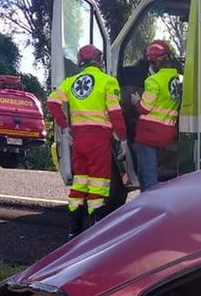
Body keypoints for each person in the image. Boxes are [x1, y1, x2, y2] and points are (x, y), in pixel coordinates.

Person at [46, 44, 127, 238]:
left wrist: (65, 127)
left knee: (80, 183)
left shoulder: (71, 81)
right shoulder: (108, 81)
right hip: (99, 139)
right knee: (98, 184)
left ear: (81, 62)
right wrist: (122, 138)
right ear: (99, 61)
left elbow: (52, 101)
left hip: (79, 140)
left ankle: (74, 230)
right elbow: (115, 112)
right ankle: (94, 231)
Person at [130, 40, 182, 190]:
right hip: (168, 132)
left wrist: (135, 101)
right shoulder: (176, 78)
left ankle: (148, 203)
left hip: (149, 134)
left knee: (148, 175)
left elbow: (144, 108)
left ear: (154, 63)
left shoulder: (153, 81)